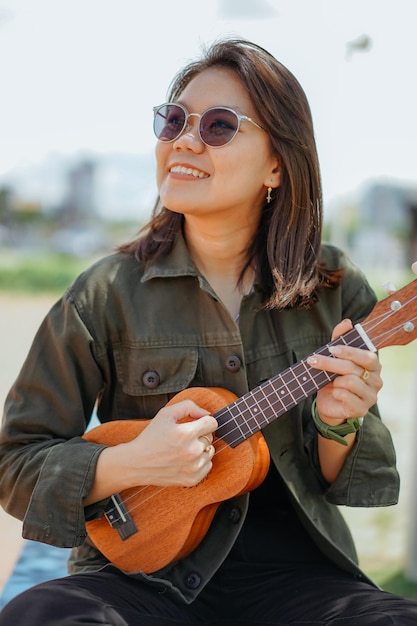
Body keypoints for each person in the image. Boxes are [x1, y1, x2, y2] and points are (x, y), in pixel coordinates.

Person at [0, 37, 416, 626]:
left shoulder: (337, 287)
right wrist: (137, 462)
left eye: (220, 126)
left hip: (298, 578)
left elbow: (344, 483)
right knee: (39, 614)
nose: (185, 140)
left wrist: (337, 421)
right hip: (139, 577)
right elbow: (15, 463)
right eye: (173, 121)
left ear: (278, 163)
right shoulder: (104, 292)